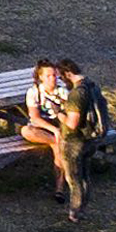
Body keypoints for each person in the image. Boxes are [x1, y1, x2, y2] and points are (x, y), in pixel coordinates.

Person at [22, 56, 107, 220]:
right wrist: (54, 130)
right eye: (48, 76)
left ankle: (60, 190)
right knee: (28, 131)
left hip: (65, 129)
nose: (53, 78)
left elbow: (71, 120)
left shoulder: (64, 91)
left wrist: (59, 124)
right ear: (40, 77)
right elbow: (34, 117)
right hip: (47, 128)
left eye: (54, 75)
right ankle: (64, 193)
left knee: (60, 149)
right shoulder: (34, 92)